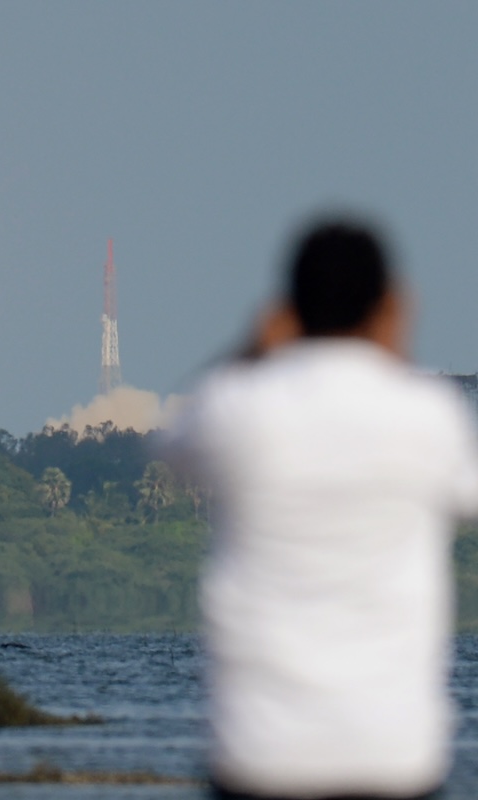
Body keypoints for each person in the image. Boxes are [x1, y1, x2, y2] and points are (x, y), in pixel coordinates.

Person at [164, 218, 478, 800]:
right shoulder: (430, 416)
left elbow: (177, 443)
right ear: (390, 307)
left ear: (288, 310)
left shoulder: (241, 408)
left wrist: (258, 347)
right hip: (392, 756)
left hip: (263, 757)